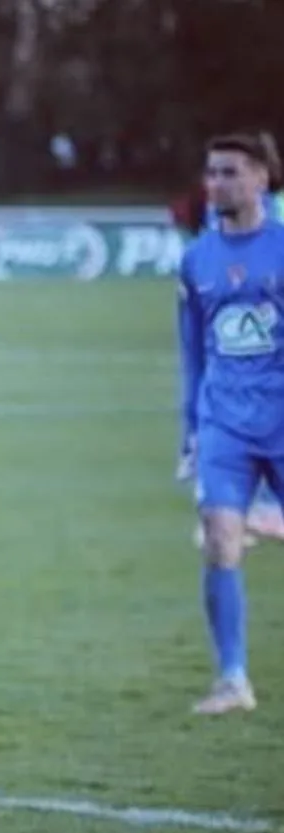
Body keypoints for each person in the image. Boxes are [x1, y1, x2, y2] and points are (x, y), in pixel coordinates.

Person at [177, 131, 284, 715]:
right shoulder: (197, 259)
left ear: (262, 178)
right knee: (220, 541)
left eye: (230, 172)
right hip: (224, 425)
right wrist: (190, 433)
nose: (216, 183)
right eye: (212, 172)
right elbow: (192, 351)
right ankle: (233, 678)